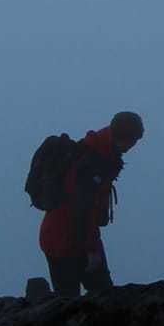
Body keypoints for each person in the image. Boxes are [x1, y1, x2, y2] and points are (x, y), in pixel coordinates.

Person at [39, 112, 144, 297]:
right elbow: (81, 211)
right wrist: (91, 251)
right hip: (63, 240)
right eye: (132, 141)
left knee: (94, 297)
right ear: (122, 138)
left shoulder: (99, 151)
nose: (132, 147)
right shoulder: (94, 162)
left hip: (65, 237)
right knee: (76, 301)